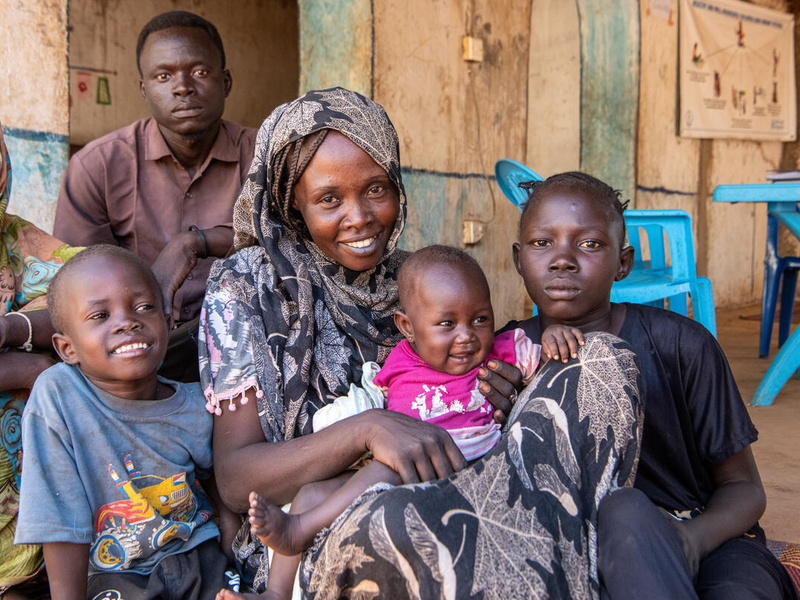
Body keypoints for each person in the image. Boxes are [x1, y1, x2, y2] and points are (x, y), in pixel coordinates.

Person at [201, 87, 643, 599]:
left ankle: (559, 551)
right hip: (313, 530)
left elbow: (480, 369)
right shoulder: (246, 288)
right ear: (292, 204)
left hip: (455, 487)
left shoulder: (417, 280)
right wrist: (369, 429)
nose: (360, 217)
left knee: (602, 361)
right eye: (329, 199)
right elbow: (236, 480)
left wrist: (503, 394)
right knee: (401, 524)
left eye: (376, 188)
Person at [505, 171, 799, 600]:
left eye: (589, 244)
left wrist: (691, 541)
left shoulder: (681, 344)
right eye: (541, 242)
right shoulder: (502, 359)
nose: (562, 259)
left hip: (699, 529)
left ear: (623, 263)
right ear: (519, 259)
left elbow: (744, 488)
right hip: (573, 544)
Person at [234, 244, 584, 600]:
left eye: (480, 319)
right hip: (393, 469)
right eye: (447, 324)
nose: (467, 335)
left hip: (459, 470)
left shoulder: (500, 351)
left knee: (386, 469)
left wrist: (552, 336)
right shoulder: (400, 360)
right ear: (407, 327)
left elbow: (542, 363)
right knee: (310, 493)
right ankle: (275, 593)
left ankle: (298, 530)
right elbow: (373, 399)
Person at [14, 245, 240, 600]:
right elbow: (61, 521)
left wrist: (233, 558)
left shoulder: (198, 403)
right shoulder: (59, 395)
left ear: (167, 320)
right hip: (116, 575)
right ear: (67, 348)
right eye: (100, 315)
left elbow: (222, 488)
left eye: (144, 307)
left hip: (197, 555)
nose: (127, 322)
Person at [53, 10, 257, 381]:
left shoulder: (265, 159)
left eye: (200, 72)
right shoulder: (97, 167)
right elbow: (77, 284)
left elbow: (297, 245)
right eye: (164, 76)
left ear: (225, 82)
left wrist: (195, 243)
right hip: (136, 350)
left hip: (246, 340)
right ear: (144, 89)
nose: (183, 88)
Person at [0, 121, 82, 599]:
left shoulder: (20, 243)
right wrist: (24, 367)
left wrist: (12, 329)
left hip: (27, 545)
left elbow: (92, 293)